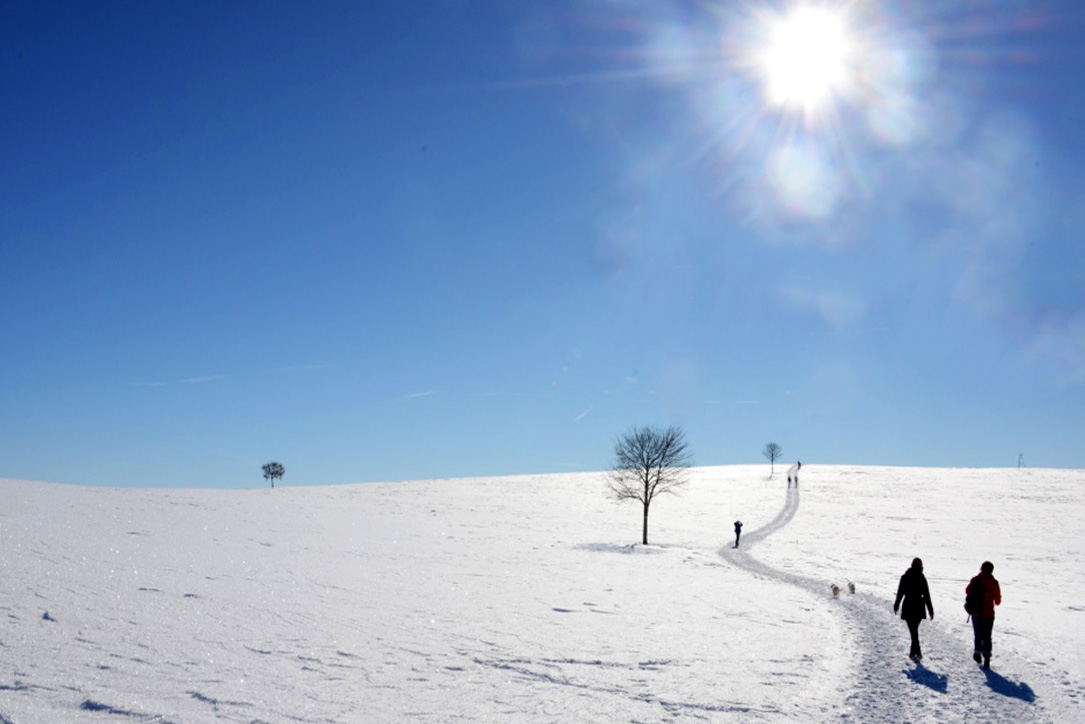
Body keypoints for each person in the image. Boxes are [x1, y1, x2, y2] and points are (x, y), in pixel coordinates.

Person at [894, 557, 935, 662]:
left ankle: (917, 653)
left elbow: (900, 592)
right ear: (921, 566)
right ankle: (914, 653)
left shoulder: (905, 576)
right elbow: (926, 595)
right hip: (919, 605)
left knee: (913, 631)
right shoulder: (922, 577)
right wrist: (930, 610)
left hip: (908, 604)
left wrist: (896, 605)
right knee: (914, 630)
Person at [966, 561, 1002, 669]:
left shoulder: (975, 580)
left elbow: (967, 591)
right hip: (989, 614)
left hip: (976, 612)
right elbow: (998, 601)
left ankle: (977, 653)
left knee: (978, 634)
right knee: (987, 635)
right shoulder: (994, 582)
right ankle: (986, 657)